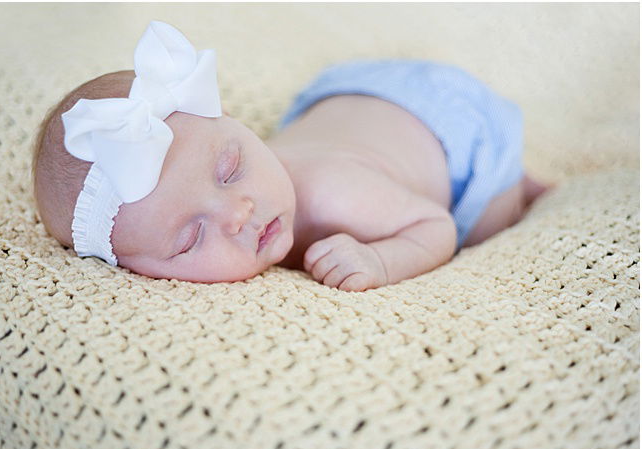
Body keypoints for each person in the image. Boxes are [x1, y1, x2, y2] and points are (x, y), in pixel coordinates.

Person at [33, 21, 551, 292]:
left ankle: (521, 186)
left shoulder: (337, 194)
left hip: (447, 125)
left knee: (486, 222)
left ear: (232, 118)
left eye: (230, 168)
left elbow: (434, 225)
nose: (238, 213)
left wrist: (380, 259)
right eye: (191, 238)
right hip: (354, 113)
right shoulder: (235, 192)